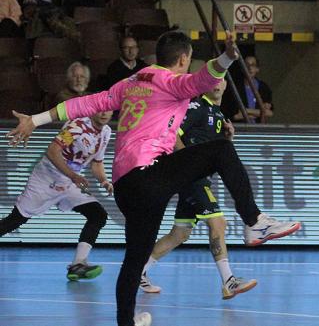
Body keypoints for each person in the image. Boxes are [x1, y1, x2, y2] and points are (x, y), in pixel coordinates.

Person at [7, 31, 299, 326]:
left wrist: (35, 119)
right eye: (188, 60)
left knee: (135, 258)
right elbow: (203, 80)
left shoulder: (129, 83)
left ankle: (126, 322)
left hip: (126, 187)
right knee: (221, 149)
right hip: (149, 175)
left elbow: (84, 104)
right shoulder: (170, 82)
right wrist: (227, 58)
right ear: (183, 58)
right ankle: (253, 222)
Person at [140, 79, 299, 296]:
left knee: (179, 234)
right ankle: (229, 281)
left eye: (221, 79)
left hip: (198, 178)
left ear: (225, 86)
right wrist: (187, 165)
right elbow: (172, 134)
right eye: (211, 78)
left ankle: (138, 271)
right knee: (218, 223)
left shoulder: (220, 116)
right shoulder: (197, 107)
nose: (216, 83)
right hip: (190, 177)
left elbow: (217, 155)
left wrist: (228, 138)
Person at [0, 111, 113, 281]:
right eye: (101, 109)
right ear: (93, 109)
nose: (104, 113)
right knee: (15, 220)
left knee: (98, 215)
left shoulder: (106, 132)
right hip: (47, 178)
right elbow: (53, 151)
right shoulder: (77, 126)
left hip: (69, 182)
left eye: (109, 109)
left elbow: (97, 163)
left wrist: (104, 181)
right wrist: (73, 175)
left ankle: (78, 264)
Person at [222, 55, 274, 123]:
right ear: (242, 68)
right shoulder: (234, 87)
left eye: (253, 65)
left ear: (257, 69)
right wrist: (258, 113)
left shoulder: (263, 88)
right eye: (246, 65)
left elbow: (269, 113)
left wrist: (246, 111)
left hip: (259, 128)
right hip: (240, 128)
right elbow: (235, 116)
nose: (250, 68)